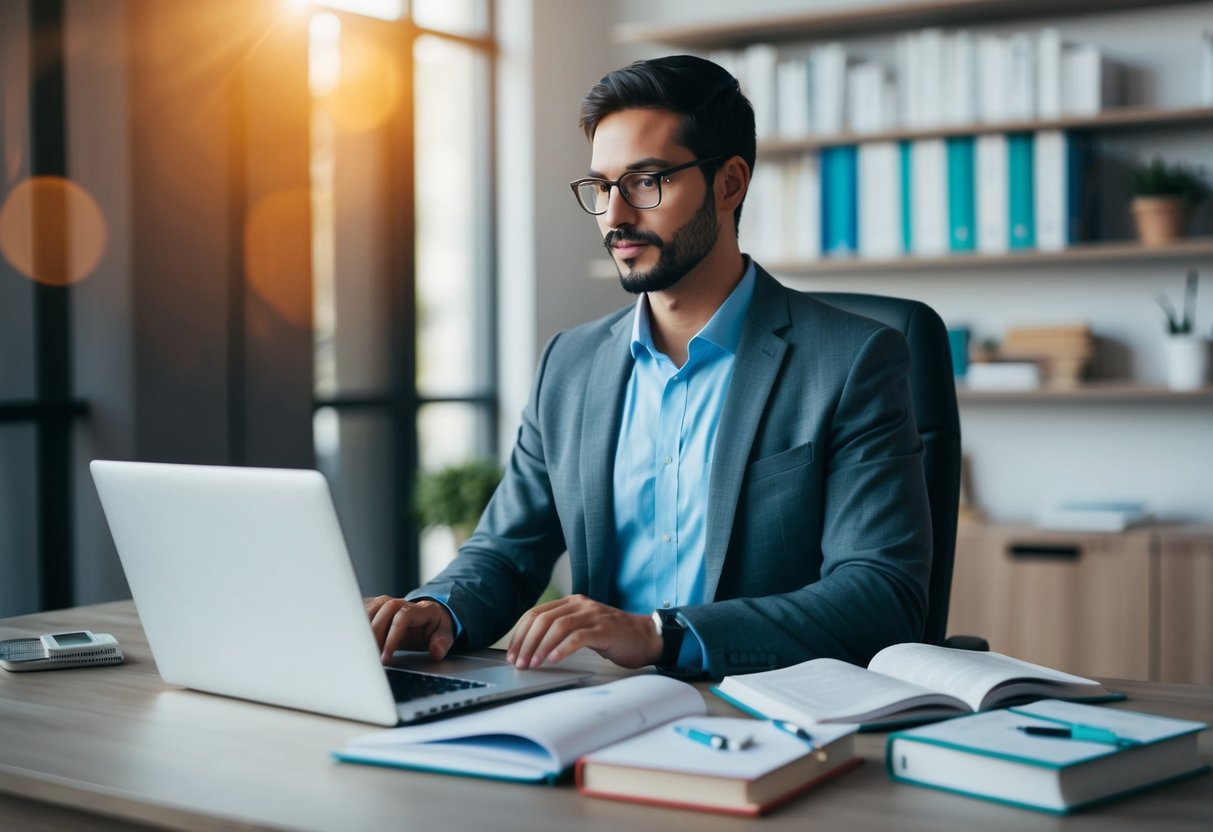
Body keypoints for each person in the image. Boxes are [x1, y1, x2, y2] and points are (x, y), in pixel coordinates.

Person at [366, 55, 932, 678]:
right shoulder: (570, 365)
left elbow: (881, 594)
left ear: (729, 184)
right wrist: (437, 609)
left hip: (761, 711)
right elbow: (505, 550)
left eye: (647, 181)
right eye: (603, 187)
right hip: (599, 705)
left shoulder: (851, 360)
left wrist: (660, 635)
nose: (615, 216)